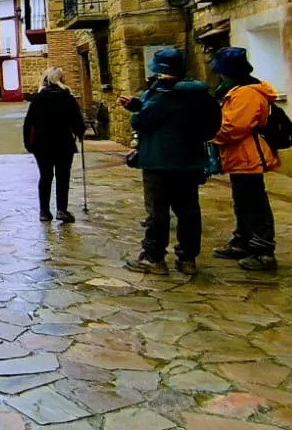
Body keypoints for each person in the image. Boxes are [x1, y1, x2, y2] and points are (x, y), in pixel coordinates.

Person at [119, 48, 222, 276]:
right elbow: (212, 124)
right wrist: (139, 104)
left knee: (157, 212)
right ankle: (187, 259)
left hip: (159, 161)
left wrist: (137, 110)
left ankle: (154, 257)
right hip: (189, 161)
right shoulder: (200, 94)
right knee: (188, 211)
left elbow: (142, 121)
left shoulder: (164, 94)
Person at [209, 47, 281, 272]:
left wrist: (209, 133)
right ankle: (243, 241)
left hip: (248, 155)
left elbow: (234, 127)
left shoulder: (246, 93)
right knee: (243, 201)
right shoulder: (237, 90)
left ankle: (263, 250)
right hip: (240, 156)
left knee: (254, 202)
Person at [22, 68, 86, 223]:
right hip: (63, 143)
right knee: (62, 177)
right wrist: (80, 132)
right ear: (61, 80)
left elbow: (28, 123)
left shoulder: (38, 99)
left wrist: (28, 144)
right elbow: (77, 123)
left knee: (45, 176)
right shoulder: (67, 98)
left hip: (41, 144)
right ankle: (61, 210)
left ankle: (44, 212)